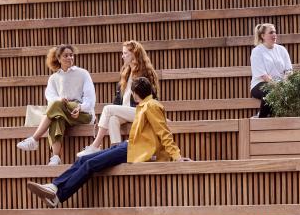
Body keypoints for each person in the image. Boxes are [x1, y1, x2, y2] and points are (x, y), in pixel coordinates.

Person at [26, 76, 186, 207]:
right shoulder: (144, 106)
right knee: (83, 159)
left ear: (136, 93)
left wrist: (177, 157)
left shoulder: (152, 106)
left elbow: (164, 133)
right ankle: (54, 186)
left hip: (133, 150)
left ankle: (58, 196)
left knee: (91, 164)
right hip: (128, 145)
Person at [16, 44, 96, 165]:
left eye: (71, 55)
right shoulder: (53, 78)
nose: (69, 58)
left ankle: (34, 139)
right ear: (58, 58)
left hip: (82, 113)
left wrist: (80, 107)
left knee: (56, 106)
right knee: (56, 117)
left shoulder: (83, 73)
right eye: (65, 56)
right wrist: (60, 99)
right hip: (63, 112)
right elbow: (50, 98)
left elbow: (90, 99)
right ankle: (55, 157)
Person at [80, 41, 159, 158]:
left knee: (107, 109)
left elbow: (151, 97)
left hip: (141, 111)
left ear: (134, 54)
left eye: (125, 53)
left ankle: (95, 145)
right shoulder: (126, 73)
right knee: (112, 118)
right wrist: (105, 119)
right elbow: (118, 101)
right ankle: (116, 152)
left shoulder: (146, 73)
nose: (122, 56)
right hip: (127, 111)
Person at [248, 22, 293, 118]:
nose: (274, 35)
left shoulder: (282, 49)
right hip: (260, 84)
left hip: (281, 84)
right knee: (270, 91)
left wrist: (284, 84)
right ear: (263, 36)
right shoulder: (257, 51)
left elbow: (289, 70)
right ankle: (262, 119)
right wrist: (278, 86)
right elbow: (263, 76)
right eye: (271, 32)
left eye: (275, 32)